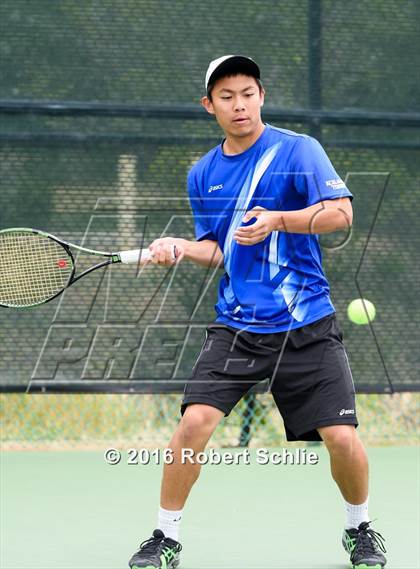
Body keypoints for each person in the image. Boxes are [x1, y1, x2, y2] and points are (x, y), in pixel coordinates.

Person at [128, 55, 387, 569]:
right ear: (209, 106)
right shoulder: (203, 173)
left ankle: (359, 527)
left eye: (247, 93)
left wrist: (279, 221)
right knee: (194, 424)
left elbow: (341, 214)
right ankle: (165, 537)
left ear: (261, 96)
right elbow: (218, 250)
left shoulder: (298, 151)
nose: (239, 104)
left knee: (340, 436)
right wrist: (180, 246)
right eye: (226, 96)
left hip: (306, 321)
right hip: (238, 326)